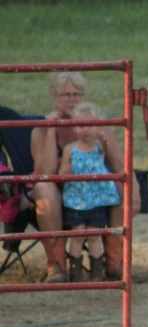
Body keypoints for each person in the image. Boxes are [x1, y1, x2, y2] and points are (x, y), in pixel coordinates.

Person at [30, 72, 140, 283]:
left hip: (95, 191)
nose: (72, 99)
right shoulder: (40, 131)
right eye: (65, 94)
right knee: (44, 188)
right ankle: (57, 267)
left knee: (122, 185)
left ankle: (115, 264)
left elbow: (120, 164)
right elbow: (46, 173)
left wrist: (133, 186)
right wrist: (52, 131)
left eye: (77, 94)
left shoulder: (99, 126)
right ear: (54, 97)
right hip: (61, 191)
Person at [57, 103, 120, 282]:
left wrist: (106, 140)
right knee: (77, 235)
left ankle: (97, 272)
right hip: (76, 198)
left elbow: (108, 157)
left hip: (96, 198)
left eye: (90, 125)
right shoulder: (71, 148)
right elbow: (62, 172)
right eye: (81, 125)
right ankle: (75, 273)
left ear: (98, 126)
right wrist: (66, 171)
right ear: (74, 127)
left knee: (94, 235)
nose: (85, 130)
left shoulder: (99, 146)